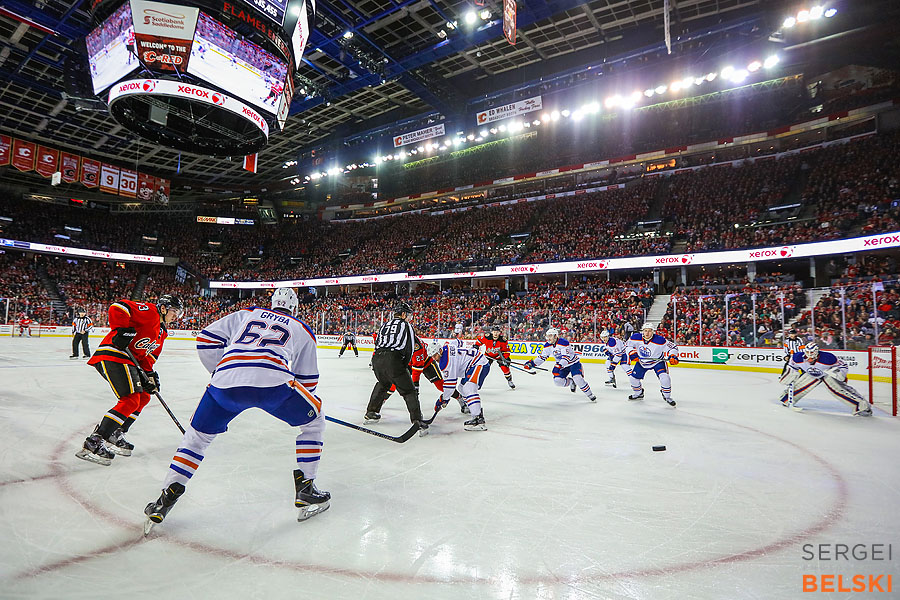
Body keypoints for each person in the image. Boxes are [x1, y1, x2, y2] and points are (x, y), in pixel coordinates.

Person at [143, 288, 330, 529]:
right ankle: (306, 488)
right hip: (273, 386)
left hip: (223, 384)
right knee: (314, 423)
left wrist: (221, 371)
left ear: (271, 303)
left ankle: (165, 498)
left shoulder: (247, 313)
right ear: (295, 308)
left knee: (196, 438)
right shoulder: (302, 328)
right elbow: (308, 383)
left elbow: (206, 339)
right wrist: (300, 404)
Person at [76, 295, 182, 466]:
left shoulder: (163, 333)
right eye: (174, 311)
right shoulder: (150, 312)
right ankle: (94, 442)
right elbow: (119, 307)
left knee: (145, 396)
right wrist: (120, 330)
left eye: (179, 312)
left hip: (129, 360)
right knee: (131, 399)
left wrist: (149, 376)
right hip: (115, 354)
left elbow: (148, 357)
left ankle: (116, 432)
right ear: (163, 308)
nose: (176, 315)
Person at [364, 302, 427, 434]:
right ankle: (417, 420)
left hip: (377, 359)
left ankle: (371, 412)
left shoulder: (385, 325)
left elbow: (378, 344)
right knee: (409, 390)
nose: (409, 317)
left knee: (383, 384)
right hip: (393, 358)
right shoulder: (406, 325)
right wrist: (404, 368)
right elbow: (409, 347)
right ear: (403, 314)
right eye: (408, 314)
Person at [779, 342, 871, 416]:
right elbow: (791, 365)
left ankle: (862, 407)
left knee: (838, 390)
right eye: (807, 352)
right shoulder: (798, 357)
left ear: (817, 352)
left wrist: (840, 374)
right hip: (812, 373)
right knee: (801, 384)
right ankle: (786, 399)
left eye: (812, 353)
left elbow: (843, 365)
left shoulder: (828, 358)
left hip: (827, 373)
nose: (809, 355)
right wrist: (788, 375)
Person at [429, 341, 490, 430]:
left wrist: (442, 399)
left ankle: (478, 419)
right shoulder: (448, 347)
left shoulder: (445, 362)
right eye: (432, 356)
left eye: (435, 355)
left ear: (440, 351)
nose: (434, 358)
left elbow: (450, 386)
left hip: (478, 363)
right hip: (474, 363)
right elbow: (458, 341)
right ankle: (473, 408)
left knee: (468, 388)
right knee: (461, 388)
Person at [524, 328, 597, 402]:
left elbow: (566, 357)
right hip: (562, 365)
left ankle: (590, 394)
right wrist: (532, 364)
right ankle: (572, 382)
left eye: (550, 336)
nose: (548, 338)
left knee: (578, 379)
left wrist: (558, 366)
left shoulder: (563, 342)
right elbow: (542, 357)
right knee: (557, 381)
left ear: (555, 336)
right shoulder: (547, 345)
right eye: (547, 336)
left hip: (573, 363)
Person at [625, 323, 678, 406]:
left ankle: (667, 396)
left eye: (649, 331)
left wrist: (673, 355)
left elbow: (673, 347)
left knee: (665, 378)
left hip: (657, 362)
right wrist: (632, 353)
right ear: (642, 331)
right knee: (633, 379)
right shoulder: (635, 337)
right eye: (645, 331)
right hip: (642, 362)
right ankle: (639, 393)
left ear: (653, 332)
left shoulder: (660, 340)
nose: (647, 333)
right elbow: (627, 345)